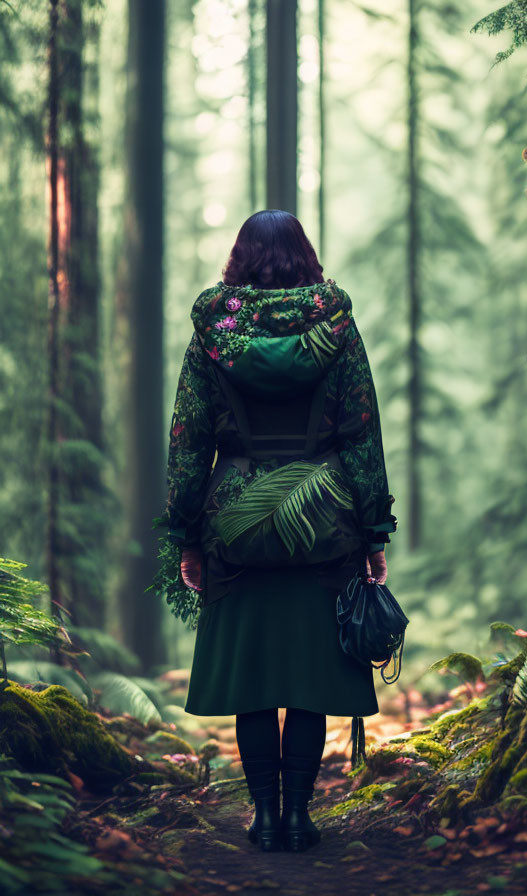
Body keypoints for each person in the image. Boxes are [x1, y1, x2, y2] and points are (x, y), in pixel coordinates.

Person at [159, 209, 397, 853]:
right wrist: (374, 531)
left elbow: (189, 439)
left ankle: (263, 817)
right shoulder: (336, 327)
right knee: (310, 677)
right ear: (306, 257)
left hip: (235, 529)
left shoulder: (216, 330)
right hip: (323, 524)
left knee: (254, 680)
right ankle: (299, 817)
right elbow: (360, 433)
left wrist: (185, 532)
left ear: (240, 259)